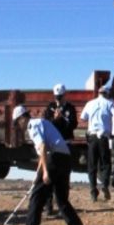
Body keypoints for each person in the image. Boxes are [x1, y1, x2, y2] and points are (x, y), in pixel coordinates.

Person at [12, 105, 85, 225]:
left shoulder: (33, 125)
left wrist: (45, 172)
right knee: (61, 199)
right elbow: (42, 153)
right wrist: (37, 174)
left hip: (55, 158)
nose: (18, 127)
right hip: (65, 158)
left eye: (17, 123)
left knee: (37, 196)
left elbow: (43, 146)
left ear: (22, 118)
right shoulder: (41, 123)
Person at [42, 83, 78, 213]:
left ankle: (64, 206)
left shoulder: (70, 108)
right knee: (50, 176)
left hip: (66, 145)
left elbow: (73, 125)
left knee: (64, 177)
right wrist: (55, 119)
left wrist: (62, 118)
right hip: (53, 146)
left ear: (65, 95)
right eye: (57, 97)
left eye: (61, 96)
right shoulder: (50, 108)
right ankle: (48, 205)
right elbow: (46, 125)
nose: (58, 99)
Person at [80, 85, 114, 201]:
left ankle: (93, 190)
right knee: (105, 164)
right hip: (103, 137)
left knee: (92, 165)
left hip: (92, 136)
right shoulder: (110, 104)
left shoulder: (90, 103)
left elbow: (83, 117)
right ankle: (105, 185)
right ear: (107, 93)